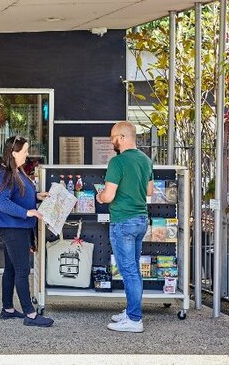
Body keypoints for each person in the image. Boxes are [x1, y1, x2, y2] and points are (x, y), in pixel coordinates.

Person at [96, 120, 153, 333]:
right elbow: (149, 191)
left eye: (113, 137)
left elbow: (109, 195)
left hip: (123, 221)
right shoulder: (146, 160)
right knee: (134, 269)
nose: (112, 141)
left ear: (122, 137)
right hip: (141, 220)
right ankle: (131, 311)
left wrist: (100, 197)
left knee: (128, 270)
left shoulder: (117, 162)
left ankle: (134, 319)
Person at [0, 135, 54, 327]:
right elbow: (3, 203)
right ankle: (30, 314)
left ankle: (8, 309)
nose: (27, 155)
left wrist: (36, 196)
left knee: (11, 268)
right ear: (13, 153)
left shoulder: (13, 171)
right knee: (22, 270)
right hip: (13, 228)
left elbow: (17, 195)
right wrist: (27, 212)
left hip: (14, 226)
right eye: (24, 151)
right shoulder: (5, 174)